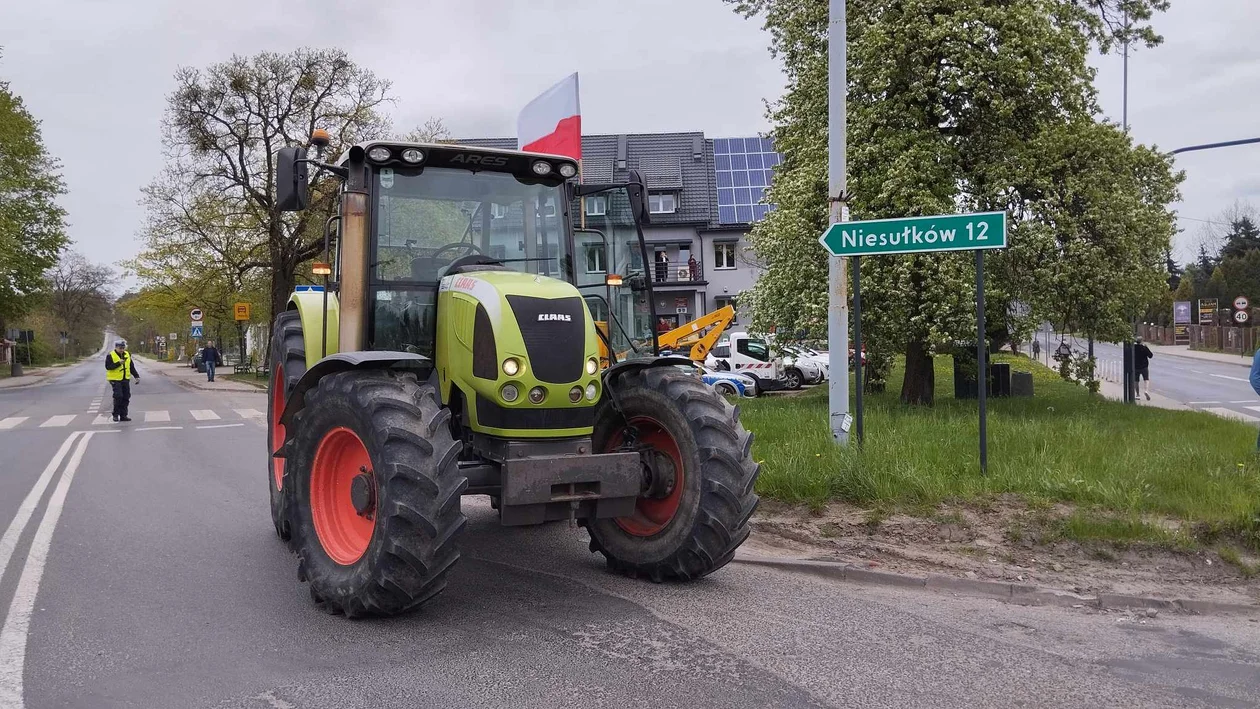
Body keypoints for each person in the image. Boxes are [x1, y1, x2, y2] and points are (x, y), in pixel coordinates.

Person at [105, 339, 139, 422]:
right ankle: (115, 414)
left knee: (126, 397)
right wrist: (118, 363)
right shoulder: (110, 355)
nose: (122, 350)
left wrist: (136, 376)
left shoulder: (127, 354)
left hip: (125, 379)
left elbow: (131, 366)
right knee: (118, 396)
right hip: (115, 379)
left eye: (123, 348)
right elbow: (108, 367)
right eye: (120, 348)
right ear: (116, 348)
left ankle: (123, 415)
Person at [1133, 336, 1154, 401]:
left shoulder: (1134, 347)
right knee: (1146, 379)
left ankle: (1137, 394)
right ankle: (1146, 391)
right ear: (1142, 341)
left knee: (1136, 381)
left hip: (1136, 366)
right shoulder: (1144, 347)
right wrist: (1146, 347)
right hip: (1144, 366)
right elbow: (1150, 355)